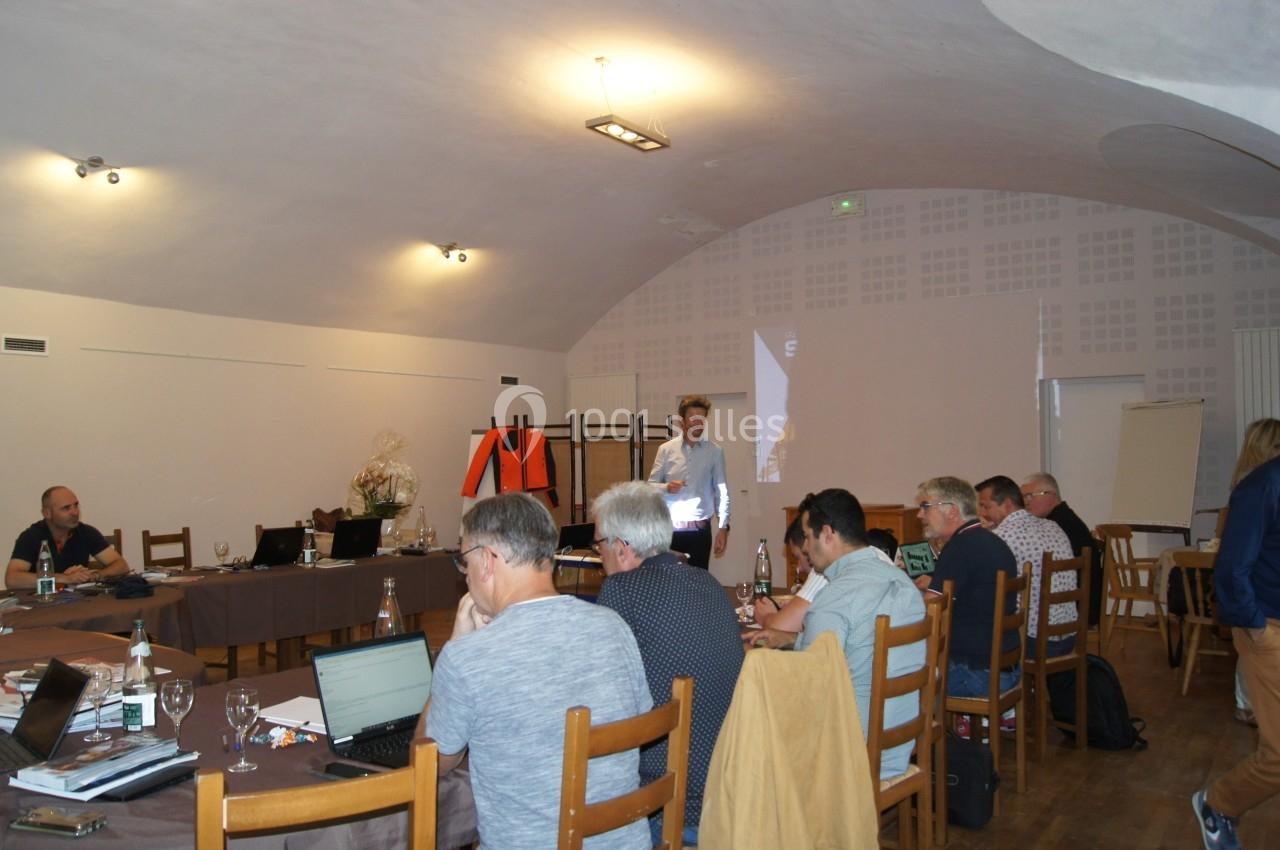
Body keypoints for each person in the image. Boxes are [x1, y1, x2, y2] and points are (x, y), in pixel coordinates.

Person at [418, 493, 651, 850]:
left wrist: (455, 644)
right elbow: (637, 720)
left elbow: (428, 764)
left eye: (465, 561)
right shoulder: (613, 626)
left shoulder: (468, 657)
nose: (465, 576)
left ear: (487, 561)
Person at [592, 481, 743, 847]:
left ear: (623, 549)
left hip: (667, 806)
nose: (599, 556)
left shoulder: (620, 592)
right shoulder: (708, 582)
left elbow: (597, 698)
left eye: (599, 545)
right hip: (727, 793)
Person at [749, 489, 924, 778]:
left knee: (749, 722)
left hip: (851, 751)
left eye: (806, 536)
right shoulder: (899, 580)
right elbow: (856, 646)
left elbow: (809, 685)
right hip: (900, 736)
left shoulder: (833, 600)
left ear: (827, 534)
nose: (804, 547)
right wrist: (793, 640)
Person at [1193, 452, 1280, 850]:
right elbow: (1231, 569)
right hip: (1268, 628)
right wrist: (1258, 630)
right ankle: (1218, 804)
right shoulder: (1263, 485)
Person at [917, 476, 1018, 698]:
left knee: (894, 681)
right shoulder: (988, 540)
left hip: (977, 674)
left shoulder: (960, 547)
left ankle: (926, 732)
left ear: (951, 511)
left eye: (925, 507)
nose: (919, 515)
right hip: (1004, 666)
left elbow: (930, 611)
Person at [977, 475, 1075, 658]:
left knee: (970, 626)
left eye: (986, 506)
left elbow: (980, 582)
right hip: (1068, 636)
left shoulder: (1000, 537)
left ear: (1006, 504)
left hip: (1034, 640)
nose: (982, 513)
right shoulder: (1052, 525)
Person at [1224, 418, 1280, 728]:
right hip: (1260, 596)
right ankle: (1247, 704)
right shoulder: (1258, 484)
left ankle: (1247, 703)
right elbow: (1236, 564)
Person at [756, 519, 899, 632]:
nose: (799, 567)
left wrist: (767, 616)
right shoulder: (876, 554)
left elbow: (781, 627)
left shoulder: (827, 566)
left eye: (798, 557)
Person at [647, 394, 730, 568]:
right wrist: (666, 487)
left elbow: (722, 492)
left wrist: (723, 528)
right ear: (681, 421)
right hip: (669, 531)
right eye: (693, 418)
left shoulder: (714, 451)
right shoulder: (666, 450)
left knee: (697, 584)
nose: (697, 423)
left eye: (701, 419)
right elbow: (649, 487)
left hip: (700, 531)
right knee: (668, 583)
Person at [6, 486, 130, 589]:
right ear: (47, 513)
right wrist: (65, 578)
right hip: (43, 602)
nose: (75, 512)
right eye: (66, 508)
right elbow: (12, 579)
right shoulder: (31, 536)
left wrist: (93, 576)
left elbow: (121, 566)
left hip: (78, 601)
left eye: (76, 505)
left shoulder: (86, 532)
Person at [1021, 472, 1104, 627]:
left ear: (1052, 495)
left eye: (1031, 496)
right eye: (1024, 497)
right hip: (1083, 605)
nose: (1026, 502)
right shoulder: (1063, 518)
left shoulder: (1055, 526)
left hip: (1072, 610)